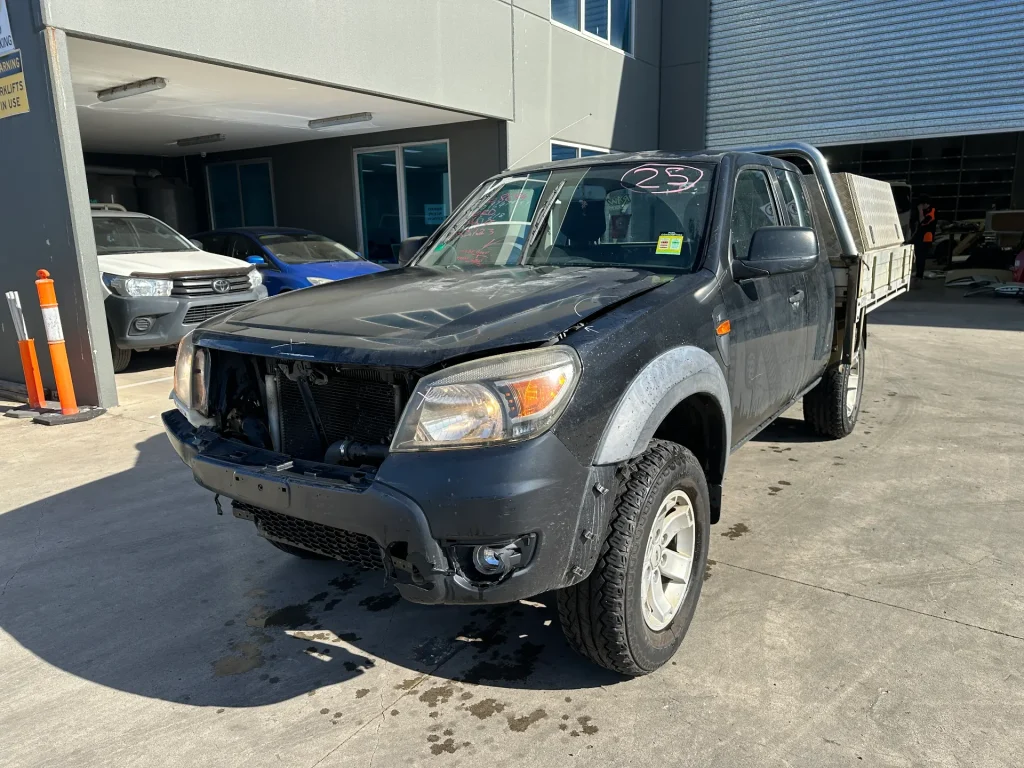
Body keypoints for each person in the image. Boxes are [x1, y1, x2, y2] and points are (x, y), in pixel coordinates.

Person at [912, 195, 937, 282]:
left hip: (926, 238)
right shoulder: (925, 211)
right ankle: (918, 273)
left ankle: (920, 274)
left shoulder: (932, 211)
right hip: (919, 236)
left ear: (925, 204)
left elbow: (923, 222)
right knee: (918, 256)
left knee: (921, 257)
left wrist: (920, 211)